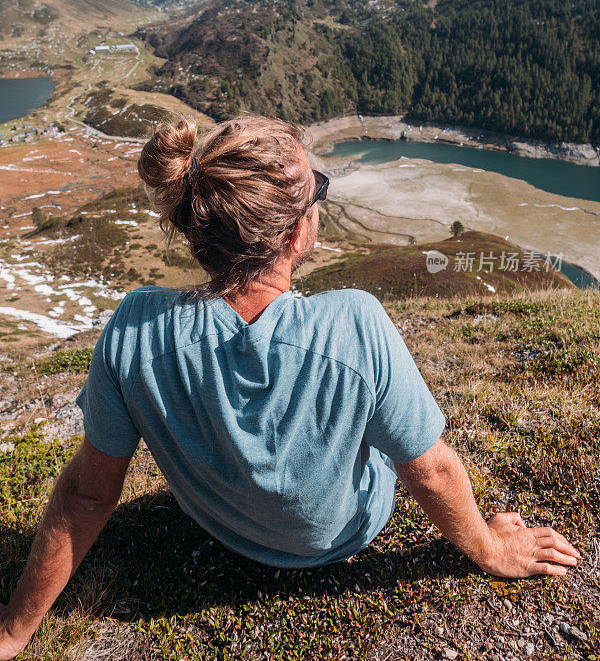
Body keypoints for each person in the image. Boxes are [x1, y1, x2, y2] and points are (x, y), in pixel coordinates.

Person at [0, 116, 581, 659]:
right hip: (346, 534)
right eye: (317, 189)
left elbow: (86, 496)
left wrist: (12, 630)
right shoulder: (354, 323)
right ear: (296, 232)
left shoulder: (134, 330)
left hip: (224, 529)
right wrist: (487, 547)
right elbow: (429, 470)